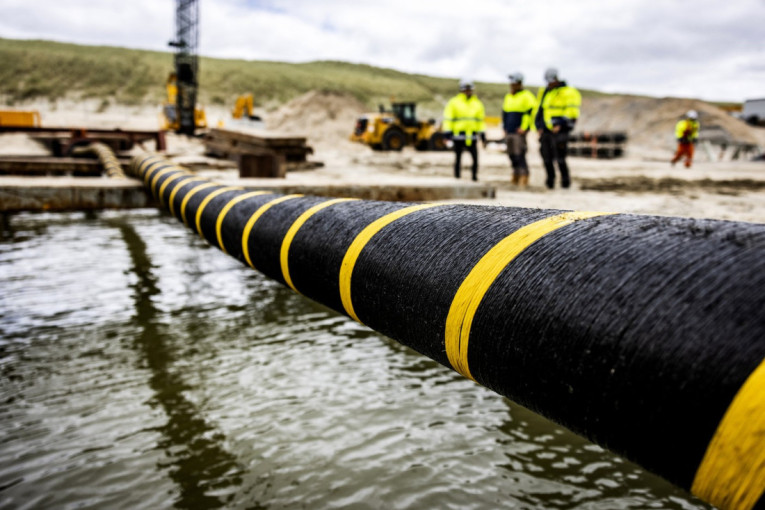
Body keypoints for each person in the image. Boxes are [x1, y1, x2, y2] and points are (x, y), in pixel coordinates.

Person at [533, 68, 581, 189]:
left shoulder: (568, 92)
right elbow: (541, 110)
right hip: (546, 131)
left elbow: (572, 112)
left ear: (556, 79)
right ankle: (550, 182)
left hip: (560, 131)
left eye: (550, 81)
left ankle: (565, 182)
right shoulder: (547, 92)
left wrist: (561, 124)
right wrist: (539, 126)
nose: (548, 83)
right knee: (546, 158)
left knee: (560, 158)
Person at [443, 80, 486, 181]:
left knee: (475, 158)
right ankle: (457, 177)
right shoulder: (454, 102)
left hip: (472, 136)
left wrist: (482, 134)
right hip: (458, 135)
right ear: (461, 90)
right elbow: (448, 119)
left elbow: (480, 121)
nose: (467, 91)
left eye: (469, 89)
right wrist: (447, 134)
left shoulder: (477, 103)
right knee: (458, 158)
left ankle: (474, 177)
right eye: (465, 90)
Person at [502, 72, 537, 186]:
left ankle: (524, 175)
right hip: (510, 131)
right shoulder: (509, 97)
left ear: (519, 83)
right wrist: (505, 127)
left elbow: (530, 114)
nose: (512, 85)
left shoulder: (527, 96)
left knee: (519, 154)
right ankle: (515, 174)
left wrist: (525, 127)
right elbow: (505, 114)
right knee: (511, 154)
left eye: (514, 83)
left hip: (519, 132)